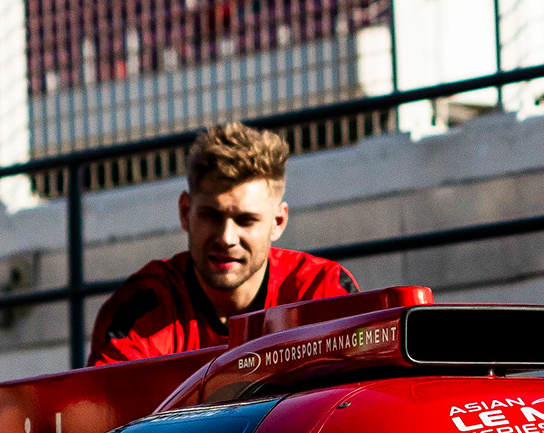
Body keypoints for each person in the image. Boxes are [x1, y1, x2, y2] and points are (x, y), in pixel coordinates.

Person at [84, 119, 360, 363]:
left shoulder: (322, 292)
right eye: (211, 216)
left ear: (277, 222)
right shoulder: (138, 312)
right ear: (185, 212)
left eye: (246, 220)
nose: (226, 238)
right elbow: (110, 418)